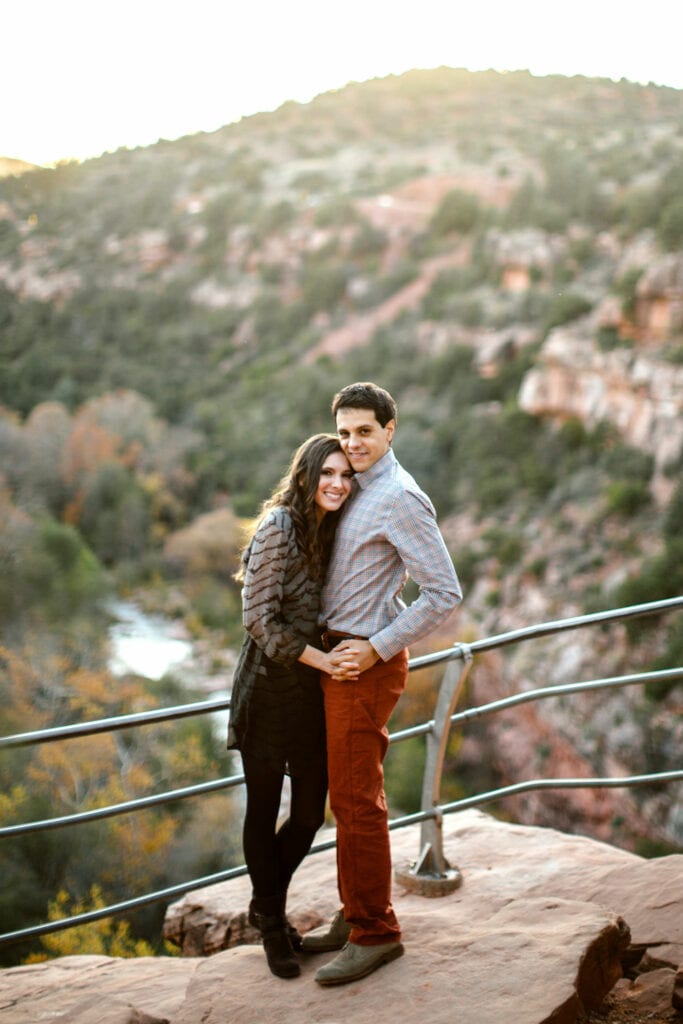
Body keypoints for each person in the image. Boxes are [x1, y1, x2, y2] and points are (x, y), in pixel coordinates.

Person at [302, 382, 462, 986]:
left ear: (390, 430)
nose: (353, 443)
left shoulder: (399, 496)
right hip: (337, 657)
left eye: (365, 431)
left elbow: (445, 592)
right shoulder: (356, 487)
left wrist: (375, 648)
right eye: (344, 432)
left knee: (356, 802)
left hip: (361, 665)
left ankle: (376, 933)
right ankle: (354, 912)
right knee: (347, 799)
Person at [227, 433, 357, 980]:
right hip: (267, 686)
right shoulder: (280, 526)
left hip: (308, 691)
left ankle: (263, 906)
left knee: (308, 813)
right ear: (305, 474)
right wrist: (323, 662)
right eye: (328, 472)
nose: (337, 484)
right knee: (263, 807)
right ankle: (274, 926)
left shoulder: (332, 529)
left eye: (347, 476)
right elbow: (257, 620)